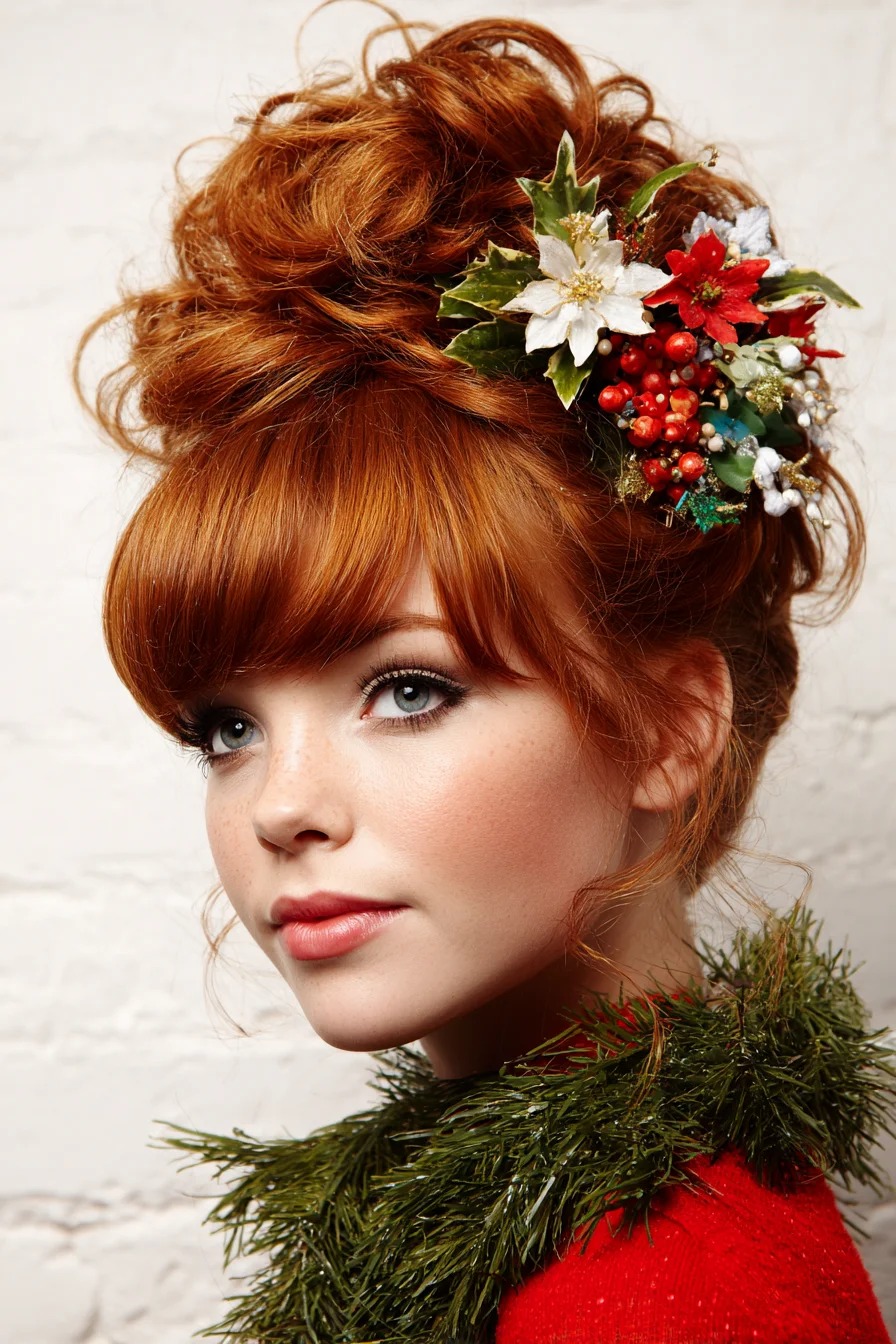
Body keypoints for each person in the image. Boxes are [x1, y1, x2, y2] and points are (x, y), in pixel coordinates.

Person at [75, 8, 895, 1341]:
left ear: (673, 729)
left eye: (408, 689)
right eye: (224, 725)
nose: (281, 807)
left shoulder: (666, 1296)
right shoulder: (554, 1236)